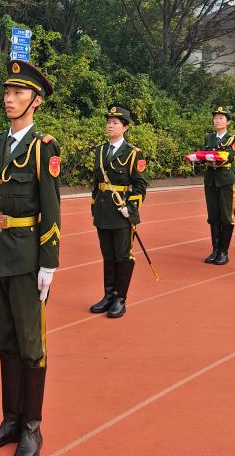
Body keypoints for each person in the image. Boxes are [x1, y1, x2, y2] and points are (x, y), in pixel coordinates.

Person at [0, 60, 61, 456]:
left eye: (18, 93)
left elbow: (51, 208)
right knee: (5, 339)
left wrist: (49, 261)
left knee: (30, 343)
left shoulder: (44, 148)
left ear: (36, 100)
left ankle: (31, 426)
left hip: (27, 256)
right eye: (7, 92)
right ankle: (10, 419)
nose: (9, 99)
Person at [89, 106, 148, 318]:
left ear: (125, 127)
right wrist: (94, 206)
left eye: (115, 123)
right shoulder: (100, 150)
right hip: (103, 212)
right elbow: (96, 183)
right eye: (108, 122)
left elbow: (140, 186)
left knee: (122, 256)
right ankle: (108, 295)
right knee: (107, 255)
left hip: (122, 213)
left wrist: (130, 208)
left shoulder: (133, 153)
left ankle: (120, 298)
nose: (110, 126)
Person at [198, 106, 235, 265]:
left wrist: (209, 156)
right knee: (213, 216)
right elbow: (203, 154)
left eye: (221, 118)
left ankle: (224, 251)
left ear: (228, 122)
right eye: (215, 118)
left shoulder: (233, 139)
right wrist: (198, 158)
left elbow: (230, 155)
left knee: (226, 216)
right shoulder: (209, 138)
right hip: (211, 179)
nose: (217, 120)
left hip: (225, 180)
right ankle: (215, 249)